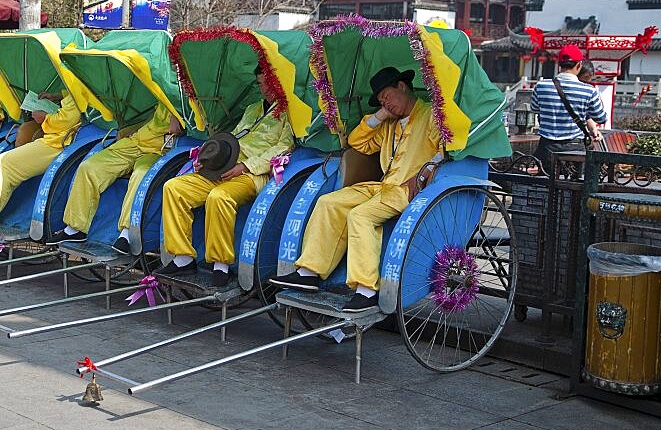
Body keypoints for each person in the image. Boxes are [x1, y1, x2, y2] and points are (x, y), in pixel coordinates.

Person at [270, 66, 443, 311]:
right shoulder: (389, 123)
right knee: (328, 202)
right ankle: (309, 272)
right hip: (382, 187)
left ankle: (366, 290)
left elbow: (444, 152)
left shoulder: (431, 115)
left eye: (387, 97)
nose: (386, 104)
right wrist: (381, 115)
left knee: (360, 215)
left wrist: (424, 173)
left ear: (402, 87)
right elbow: (357, 142)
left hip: (407, 191)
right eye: (381, 101)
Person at [160, 66, 294, 287]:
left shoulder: (288, 112)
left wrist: (246, 166)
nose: (265, 89)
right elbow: (236, 137)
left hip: (254, 173)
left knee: (219, 196)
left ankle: (220, 264)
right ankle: (182, 258)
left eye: (268, 83)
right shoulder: (253, 108)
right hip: (226, 166)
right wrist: (210, 158)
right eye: (261, 84)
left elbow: (284, 146)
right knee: (174, 188)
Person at [48, 102, 182, 254]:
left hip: (161, 151)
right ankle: (74, 229)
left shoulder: (189, 99)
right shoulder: (164, 89)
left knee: (140, 176)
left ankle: (127, 234)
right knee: (89, 167)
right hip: (134, 142)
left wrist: (177, 118)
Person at [0, 91, 81, 227]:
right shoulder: (77, 83)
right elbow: (74, 95)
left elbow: (66, 119)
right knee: (3, 161)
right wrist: (57, 96)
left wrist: (45, 118)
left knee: (4, 162)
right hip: (53, 138)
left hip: (59, 144)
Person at [530, 45, 606, 174]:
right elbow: (601, 117)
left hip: (547, 146)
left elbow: (535, 108)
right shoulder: (589, 91)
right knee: (574, 185)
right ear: (579, 65)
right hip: (574, 147)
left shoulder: (541, 86)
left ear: (559, 64)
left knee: (547, 184)